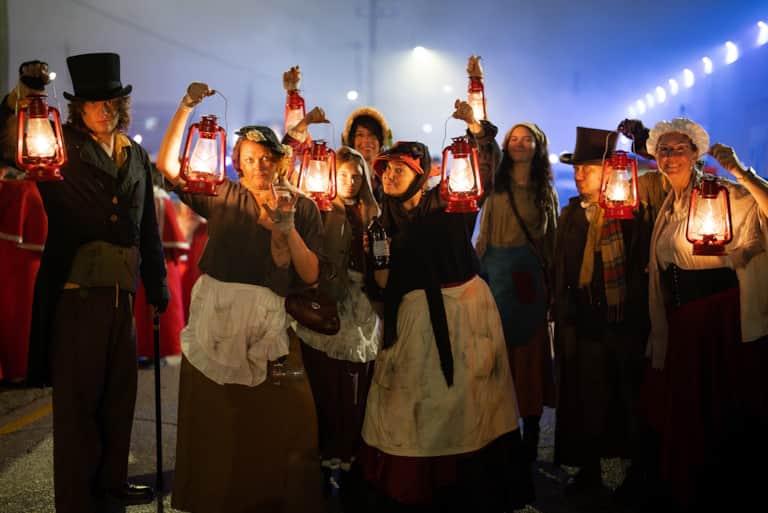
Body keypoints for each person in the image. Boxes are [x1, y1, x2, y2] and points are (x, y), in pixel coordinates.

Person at [0, 54, 169, 512]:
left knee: (119, 403)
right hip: (78, 294)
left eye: (112, 101)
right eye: (95, 102)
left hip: (123, 295)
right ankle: (77, 501)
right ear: (79, 108)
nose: (105, 109)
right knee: (77, 411)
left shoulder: (134, 153)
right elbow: (6, 145)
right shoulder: (57, 143)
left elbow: (148, 228)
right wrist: (23, 96)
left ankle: (110, 490)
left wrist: (158, 287)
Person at [155, 82, 327, 513]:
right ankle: (215, 498)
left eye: (267, 157)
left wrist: (285, 230)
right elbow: (167, 166)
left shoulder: (302, 207)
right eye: (249, 158)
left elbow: (311, 275)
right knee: (217, 420)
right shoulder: (222, 194)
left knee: (282, 420)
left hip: (273, 321)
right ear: (237, 162)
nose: (259, 165)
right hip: (217, 316)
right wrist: (187, 105)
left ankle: (273, 500)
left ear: (280, 160)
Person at [358, 141, 531, 512]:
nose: (389, 175)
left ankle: (466, 490)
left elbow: (483, 169)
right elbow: (382, 286)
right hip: (412, 323)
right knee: (410, 406)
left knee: (466, 406)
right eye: (385, 169)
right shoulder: (380, 224)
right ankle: (413, 488)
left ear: (421, 176)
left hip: (463, 318)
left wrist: (475, 123)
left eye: (399, 169)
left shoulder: (452, 205)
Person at [641, 118, 768, 510]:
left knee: (717, 410)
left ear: (695, 154)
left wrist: (740, 171)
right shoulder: (668, 204)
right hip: (683, 320)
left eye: (679, 149)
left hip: (717, 317)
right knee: (687, 413)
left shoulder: (724, 193)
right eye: (663, 149)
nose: (669, 156)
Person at [552, 126, 669, 495]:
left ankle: (639, 471)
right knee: (587, 398)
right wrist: (562, 314)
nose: (579, 174)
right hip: (584, 321)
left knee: (629, 396)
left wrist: (644, 142)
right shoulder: (570, 215)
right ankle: (588, 469)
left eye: (588, 167)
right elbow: (561, 269)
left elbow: (668, 177)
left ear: (610, 171)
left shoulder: (634, 209)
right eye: (577, 168)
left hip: (625, 321)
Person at [293, 145, 381, 500]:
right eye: (342, 175)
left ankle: (352, 457)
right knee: (327, 383)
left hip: (364, 305)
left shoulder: (373, 210)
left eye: (355, 175)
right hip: (331, 302)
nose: (349, 181)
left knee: (357, 385)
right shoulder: (320, 208)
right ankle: (327, 458)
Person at [474, 122, 558, 470]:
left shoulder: (545, 193)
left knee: (528, 362)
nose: (520, 144)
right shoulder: (495, 190)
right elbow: (482, 240)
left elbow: (550, 246)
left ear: (538, 147)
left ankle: (532, 433)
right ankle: (500, 435)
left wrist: (552, 290)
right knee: (497, 359)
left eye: (527, 139)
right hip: (497, 282)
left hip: (529, 285)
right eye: (514, 139)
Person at [0, 169, 47, 384]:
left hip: (22, 263)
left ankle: (20, 368)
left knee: (21, 317)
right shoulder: (26, 188)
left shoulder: (23, 187)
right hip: (24, 263)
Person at [134, 179, 188, 363]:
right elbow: (175, 237)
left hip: (140, 260)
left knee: (141, 307)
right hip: (165, 261)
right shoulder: (163, 200)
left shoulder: (140, 197)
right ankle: (161, 351)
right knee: (165, 311)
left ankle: (142, 349)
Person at [341, 105, 392, 198]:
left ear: (380, 142)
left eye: (372, 135)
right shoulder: (339, 176)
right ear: (351, 140)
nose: (366, 140)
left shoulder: (390, 178)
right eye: (360, 135)